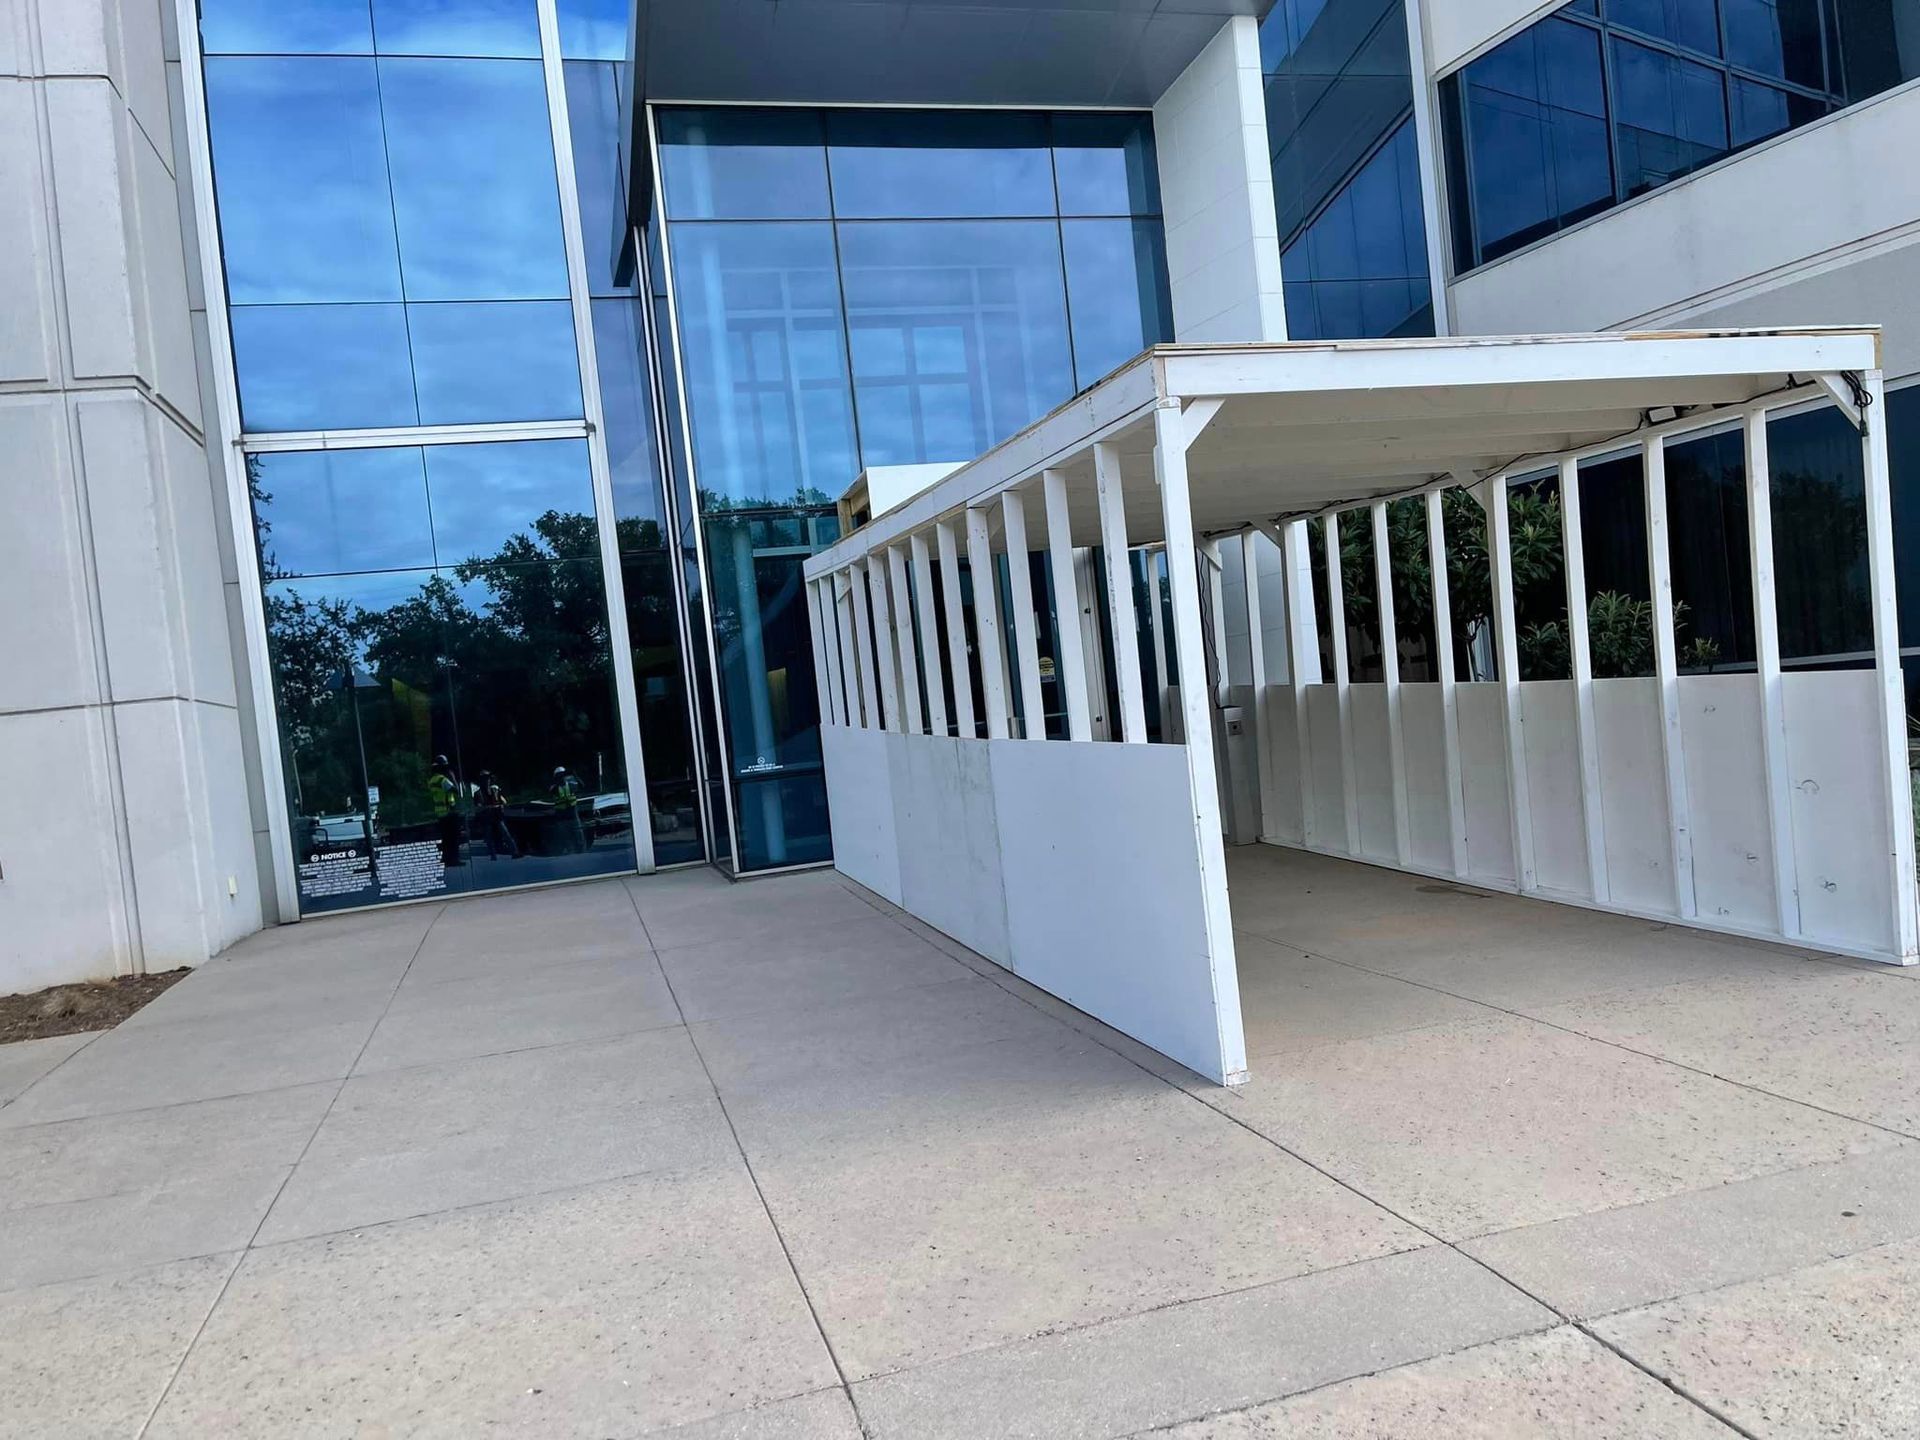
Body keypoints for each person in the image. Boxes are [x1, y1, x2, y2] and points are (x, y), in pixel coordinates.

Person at [426, 755, 464, 867]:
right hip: (449, 812)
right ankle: (454, 860)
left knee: (446, 838)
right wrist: (453, 777)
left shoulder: (432, 780)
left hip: (440, 812)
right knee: (453, 837)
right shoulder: (443, 780)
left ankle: (446, 858)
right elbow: (457, 791)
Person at [475, 770, 518, 861]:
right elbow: (478, 807)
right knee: (489, 837)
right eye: (484, 779)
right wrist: (488, 807)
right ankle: (493, 855)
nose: (487, 780)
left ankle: (515, 852)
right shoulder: (478, 793)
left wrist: (501, 804)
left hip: (497, 816)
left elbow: (503, 801)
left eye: (488, 778)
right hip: (487, 818)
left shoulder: (495, 790)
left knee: (506, 834)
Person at [548, 765, 585, 855]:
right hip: (562, 813)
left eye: (562, 775)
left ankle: (580, 849)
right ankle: (571, 849)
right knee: (566, 832)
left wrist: (575, 775)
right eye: (560, 775)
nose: (562, 776)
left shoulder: (570, 783)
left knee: (577, 831)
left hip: (571, 811)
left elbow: (582, 786)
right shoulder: (555, 786)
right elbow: (551, 791)